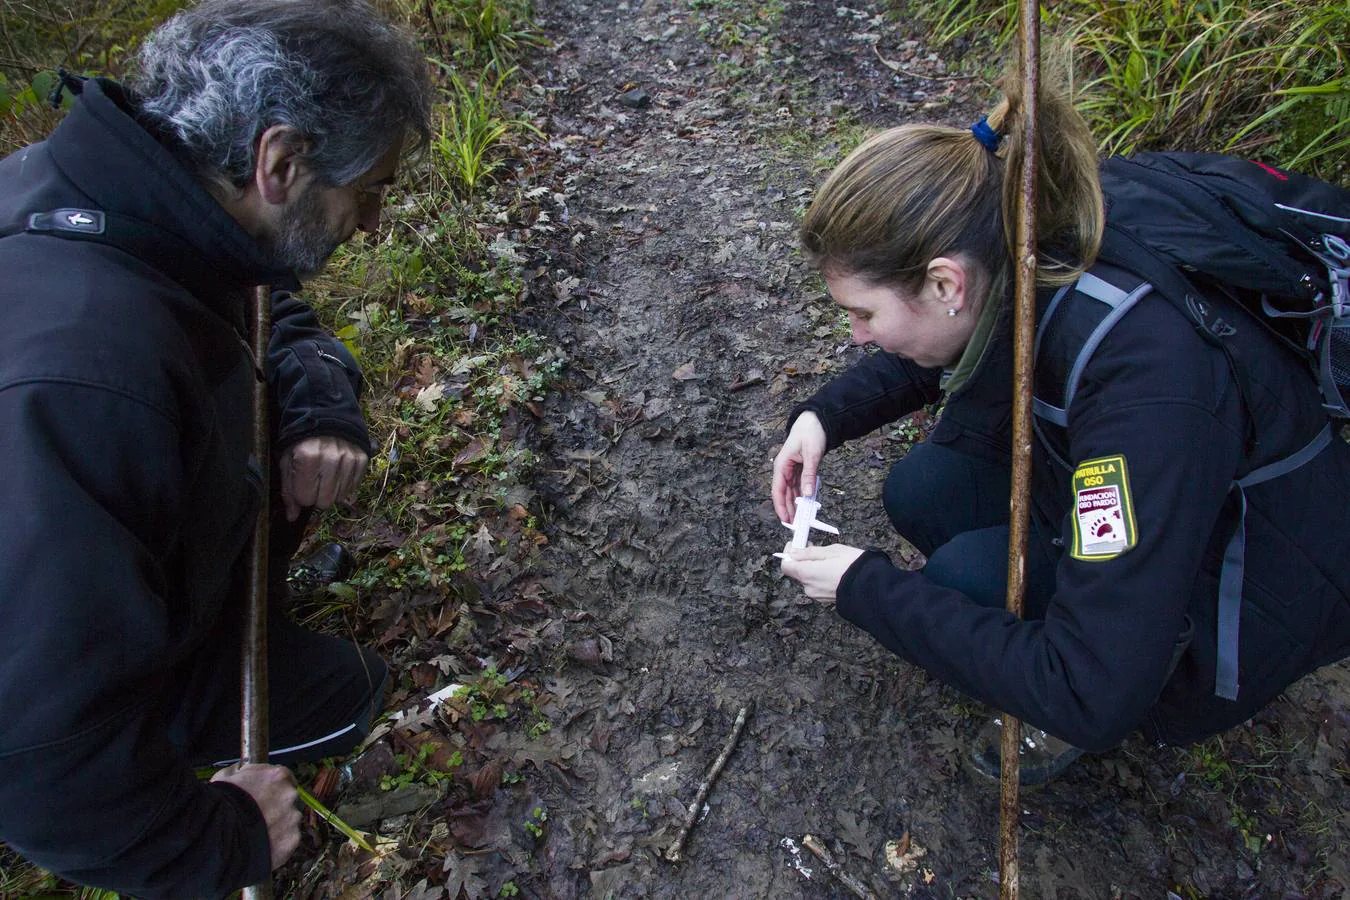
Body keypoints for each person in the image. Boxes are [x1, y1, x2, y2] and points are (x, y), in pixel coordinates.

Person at [772, 58, 1350, 785]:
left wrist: (864, 587)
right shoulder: (1029, 226)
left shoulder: (1147, 387)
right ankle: (1078, 614)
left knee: (972, 585)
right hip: (1170, 487)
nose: (858, 335)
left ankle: (1142, 655)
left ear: (946, 281)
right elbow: (952, 337)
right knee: (926, 491)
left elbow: (1091, 691)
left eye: (863, 314)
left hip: (1251, 586)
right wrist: (825, 415)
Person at [0, 1, 430, 895]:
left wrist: (318, 402)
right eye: (371, 189)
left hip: (120, 588)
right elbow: (37, 754)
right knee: (350, 696)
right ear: (282, 162)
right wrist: (217, 837)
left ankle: (223, 610)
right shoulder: (83, 387)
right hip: (66, 677)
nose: (375, 223)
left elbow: (258, 297)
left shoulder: (103, 199)